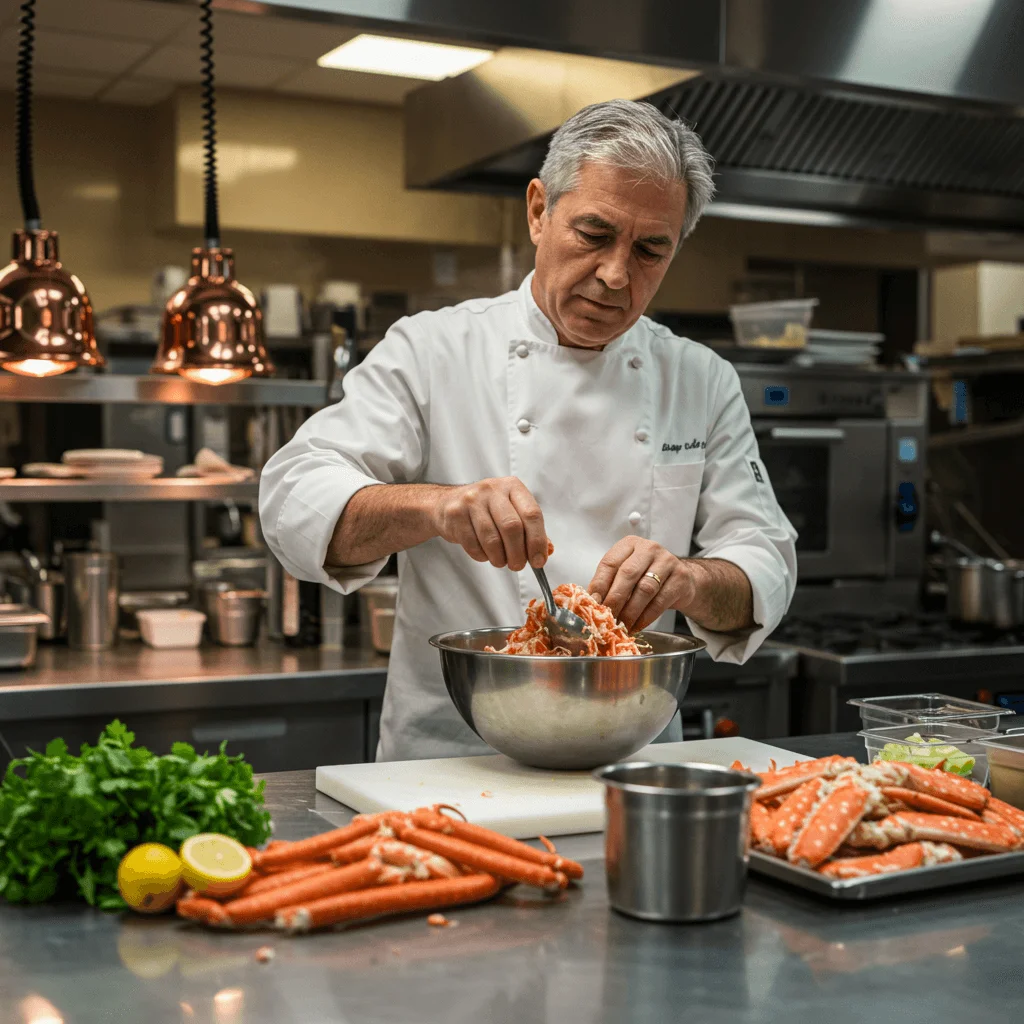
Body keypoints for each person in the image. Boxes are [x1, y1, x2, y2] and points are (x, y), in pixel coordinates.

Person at [260, 99, 798, 761]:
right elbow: (293, 496)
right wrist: (438, 506)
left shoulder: (701, 379)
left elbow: (763, 561)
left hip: (635, 759)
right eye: (594, 234)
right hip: (451, 762)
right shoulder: (432, 350)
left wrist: (686, 581)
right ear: (539, 210)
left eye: (650, 250)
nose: (615, 275)